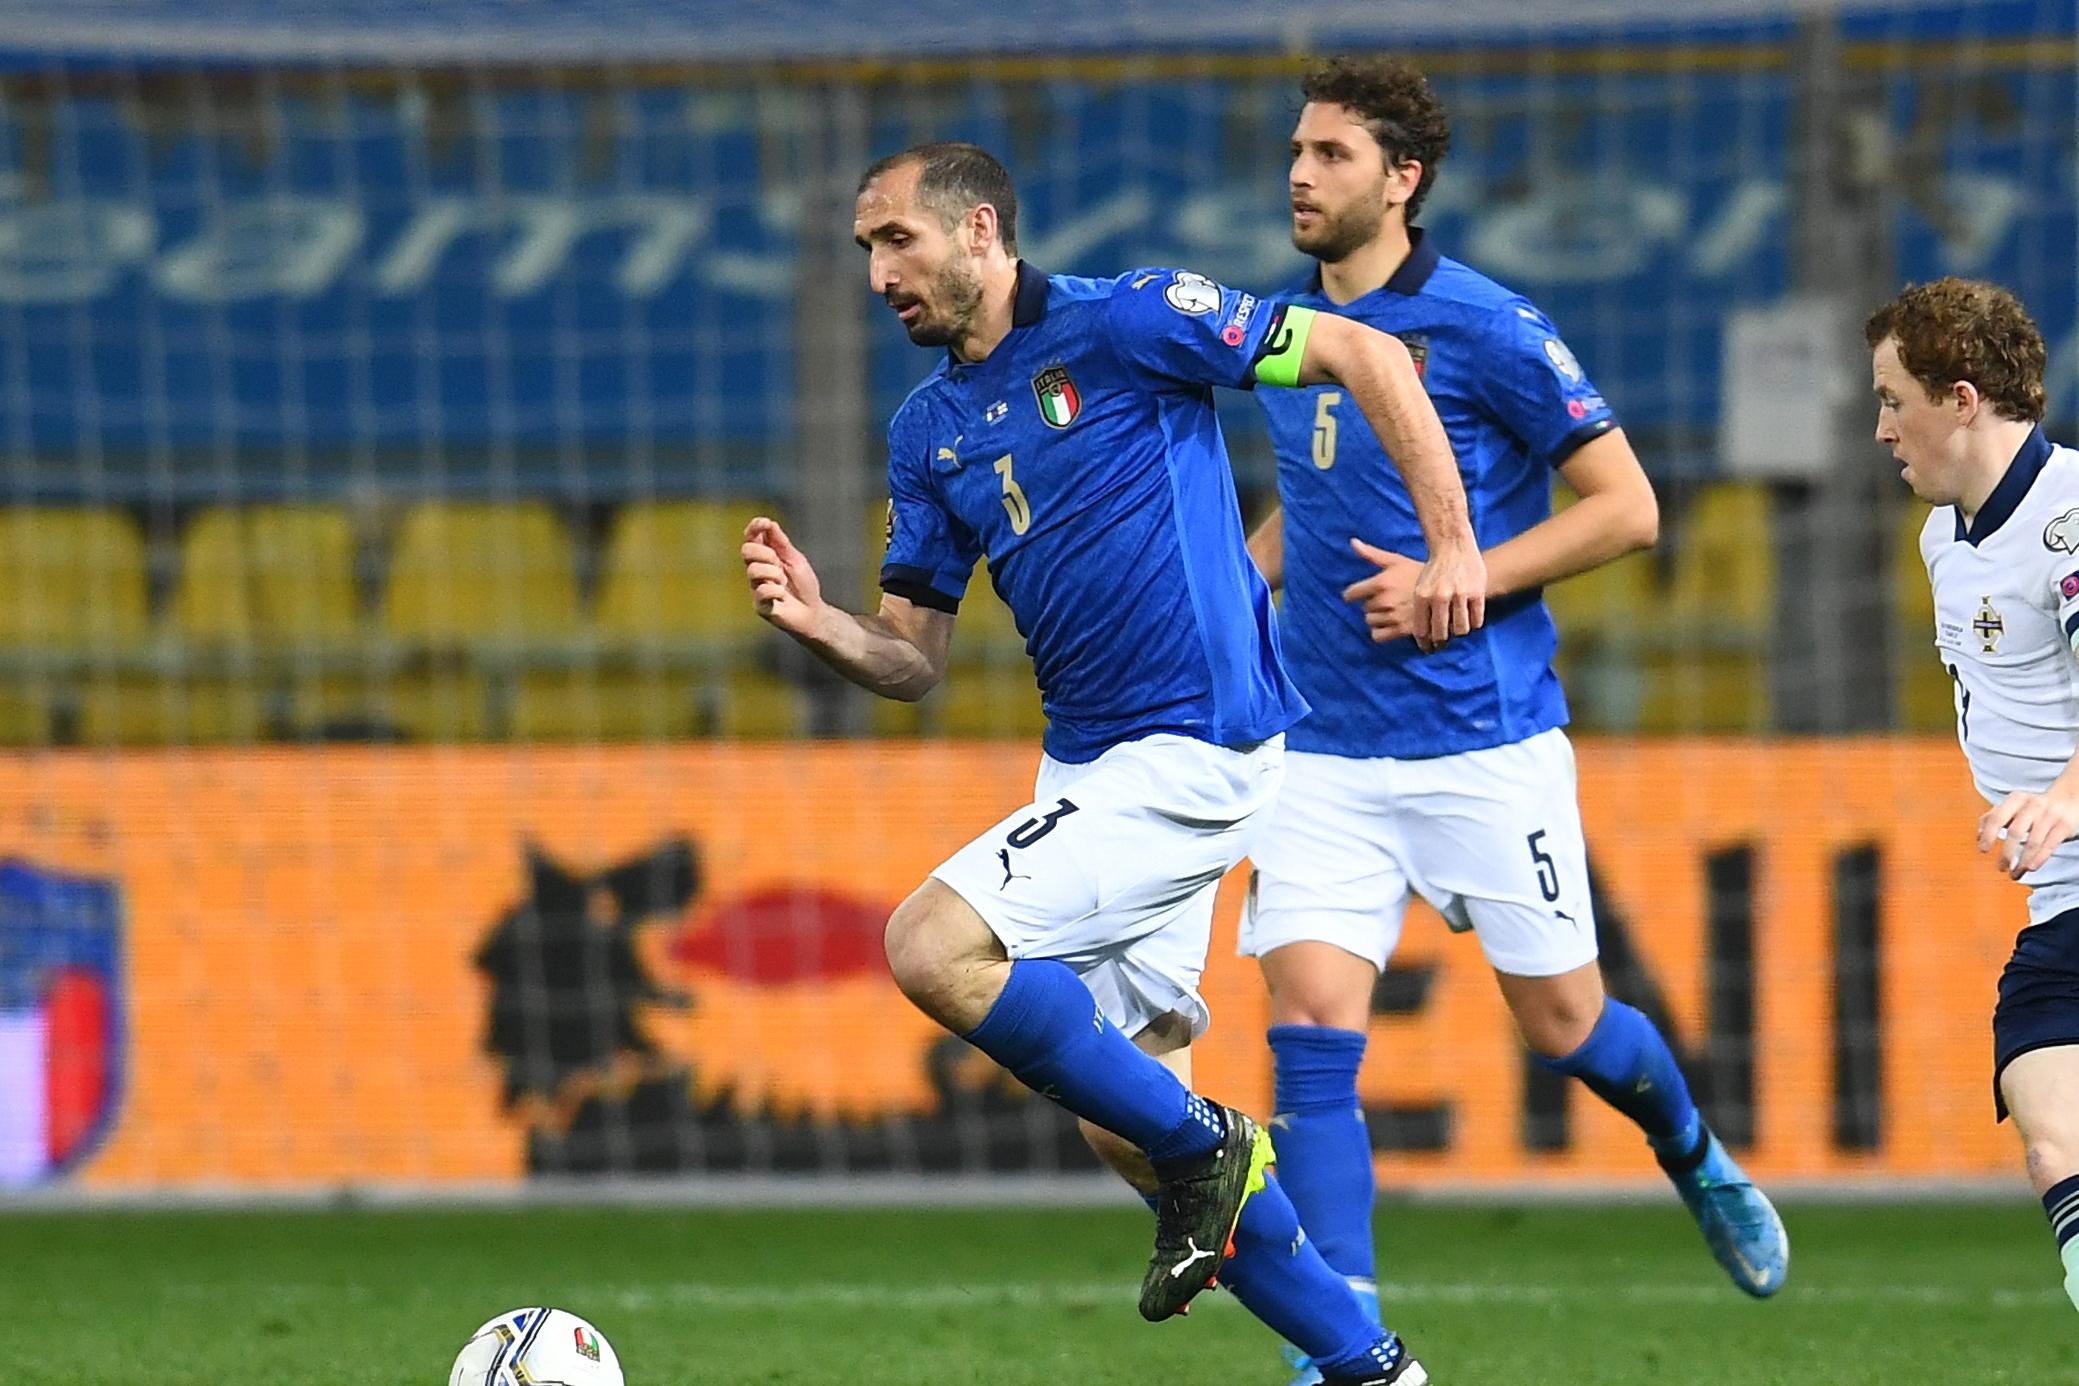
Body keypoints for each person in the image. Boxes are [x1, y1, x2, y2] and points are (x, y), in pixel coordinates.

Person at [741, 140, 1484, 1385]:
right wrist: (827, 628)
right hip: (1088, 768)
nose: (877, 273)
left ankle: (1214, 1152)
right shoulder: (927, 432)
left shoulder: (1133, 322)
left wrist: (1454, 543)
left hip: (1198, 743)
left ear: (979, 228)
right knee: (1121, 1123)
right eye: (864, 249)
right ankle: (1369, 1365)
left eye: (895, 240)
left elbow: (1361, 351)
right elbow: (914, 657)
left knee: (931, 945)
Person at [1238, 58, 1790, 1379]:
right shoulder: (1276, 332)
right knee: (1307, 1034)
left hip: (1478, 746)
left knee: (1565, 1026)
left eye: (1328, 155)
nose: (1298, 176)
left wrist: (1464, 571)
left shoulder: (1486, 326)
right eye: (1295, 153)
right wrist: (1234, 593)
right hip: (1314, 749)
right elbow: (1301, 508)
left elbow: (1627, 506)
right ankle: (1340, 1343)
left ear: (1400, 178)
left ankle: (1690, 1150)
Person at [1872, 276, 2079, 1316]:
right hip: (2063, 908)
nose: (1879, 428)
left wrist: (2061, 800)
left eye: (1893, 399)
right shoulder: (1943, 536)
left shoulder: (2072, 517)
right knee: (2053, 1144)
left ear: (1961, 399)